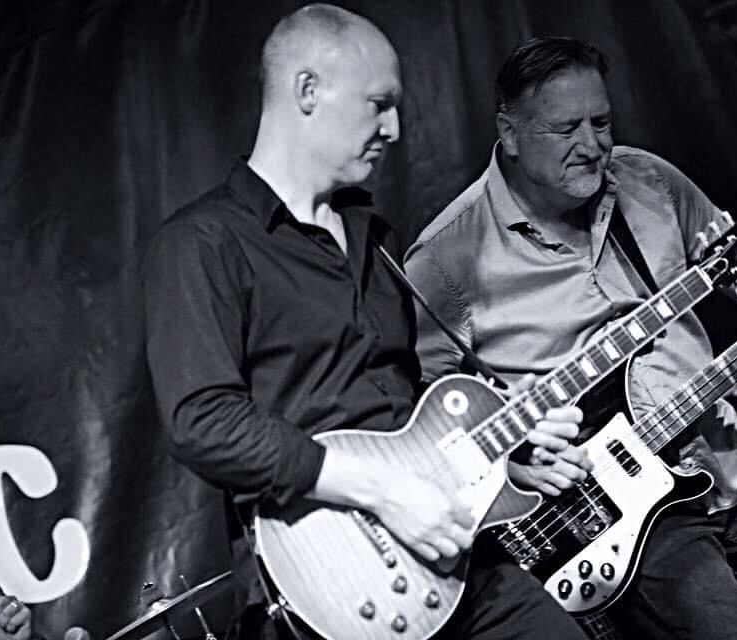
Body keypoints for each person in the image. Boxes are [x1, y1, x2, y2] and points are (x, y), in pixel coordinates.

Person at [404, 36, 737, 640]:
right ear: (509, 133)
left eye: (601, 122)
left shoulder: (647, 179)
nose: (592, 145)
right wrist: (518, 457)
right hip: (611, 510)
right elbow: (430, 413)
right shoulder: (445, 259)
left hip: (719, 449)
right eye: (566, 128)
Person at [142, 7, 590, 640]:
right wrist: (384, 492)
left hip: (458, 558)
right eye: (379, 104)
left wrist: (500, 461)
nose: (395, 128)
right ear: (307, 90)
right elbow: (203, 421)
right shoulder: (203, 242)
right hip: (334, 581)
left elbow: (405, 419)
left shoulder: (373, 238)